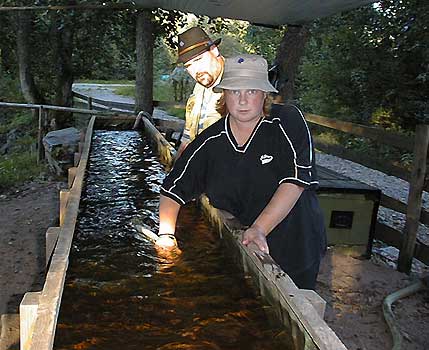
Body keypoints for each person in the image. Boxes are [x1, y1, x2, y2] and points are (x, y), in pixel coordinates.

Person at [156, 54, 327, 290]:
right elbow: (172, 189)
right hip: (247, 238)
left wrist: (259, 229)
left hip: (297, 239)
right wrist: (166, 237)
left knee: (298, 297)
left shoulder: (287, 121)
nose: (243, 100)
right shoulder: (210, 142)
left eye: (252, 91)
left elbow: (295, 181)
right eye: (235, 92)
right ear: (224, 95)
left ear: (264, 94)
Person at [176, 27, 225, 157]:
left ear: (214, 50)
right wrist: (175, 171)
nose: (196, 70)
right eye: (189, 66)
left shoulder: (240, 87)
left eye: (198, 60)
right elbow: (187, 139)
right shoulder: (199, 89)